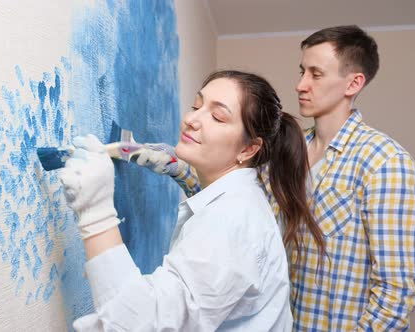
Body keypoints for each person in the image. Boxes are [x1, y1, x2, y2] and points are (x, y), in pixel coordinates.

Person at [136, 25, 415, 331]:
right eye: (302, 71)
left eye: (316, 74)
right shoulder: (288, 151)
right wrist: (175, 165)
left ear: (353, 83)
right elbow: (234, 203)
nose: (300, 85)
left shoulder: (385, 163)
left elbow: (397, 295)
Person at [59, 70, 325, 331]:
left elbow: (140, 323)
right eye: (196, 105)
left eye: (217, 117)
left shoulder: (231, 221)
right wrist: (179, 170)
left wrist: (95, 211)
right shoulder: (240, 200)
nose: (192, 119)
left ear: (248, 148)